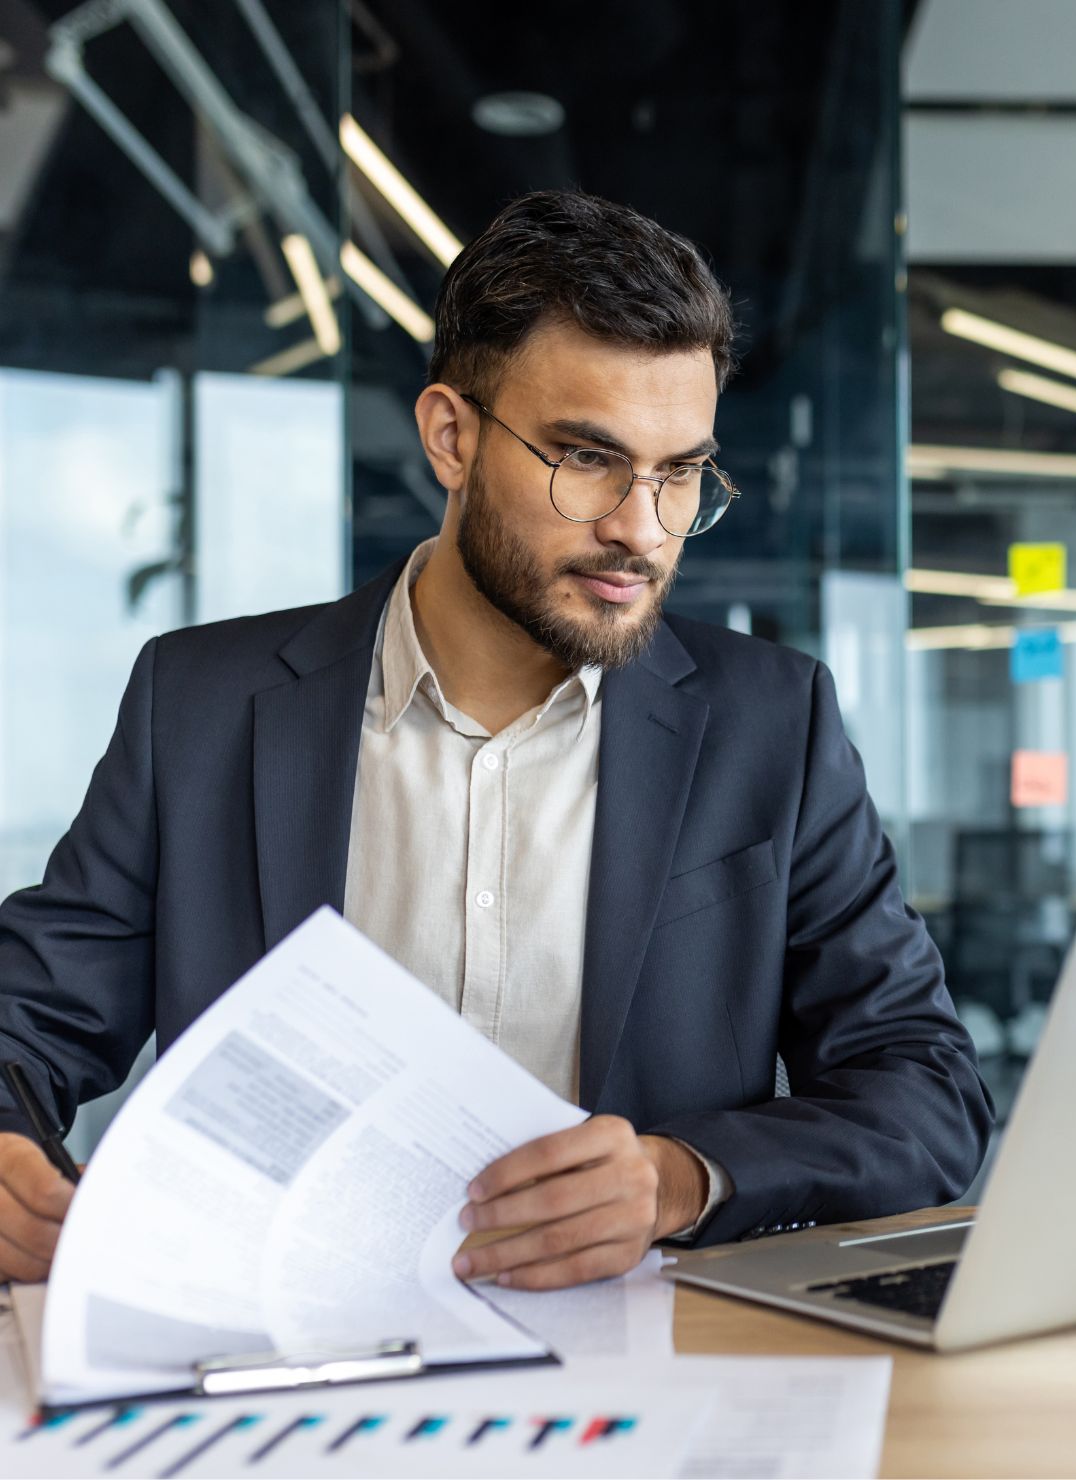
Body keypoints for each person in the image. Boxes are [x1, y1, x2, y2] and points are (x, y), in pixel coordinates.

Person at [0, 191, 991, 1288]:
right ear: (451, 436)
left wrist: (680, 1177)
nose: (640, 527)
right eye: (586, 459)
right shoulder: (200, 705)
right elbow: (25, 1016)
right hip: (274, 1344)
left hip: (643, 1370)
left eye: (679, 473)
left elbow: (926, 1089)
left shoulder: (773, 724)